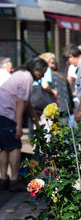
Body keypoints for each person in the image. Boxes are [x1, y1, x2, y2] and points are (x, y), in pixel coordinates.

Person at [0, 57, 48, 191]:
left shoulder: (19, 74)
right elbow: (21, 102)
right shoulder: (27, 78)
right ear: (35, 70)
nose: (42, 76)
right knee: (15, 146)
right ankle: (14, 180)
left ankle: (3, 179)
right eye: (42, 73)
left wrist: (36, 122)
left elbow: (27, 104)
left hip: (1, 112)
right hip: (8, 113)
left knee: (4, 147)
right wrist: (19, 126)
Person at [50, 58, 74, 124]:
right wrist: (71, 106)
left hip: (55, 106)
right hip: (65, 106)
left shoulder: (48, 76)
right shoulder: (63, 75)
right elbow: (69, 91)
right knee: (64, 129)